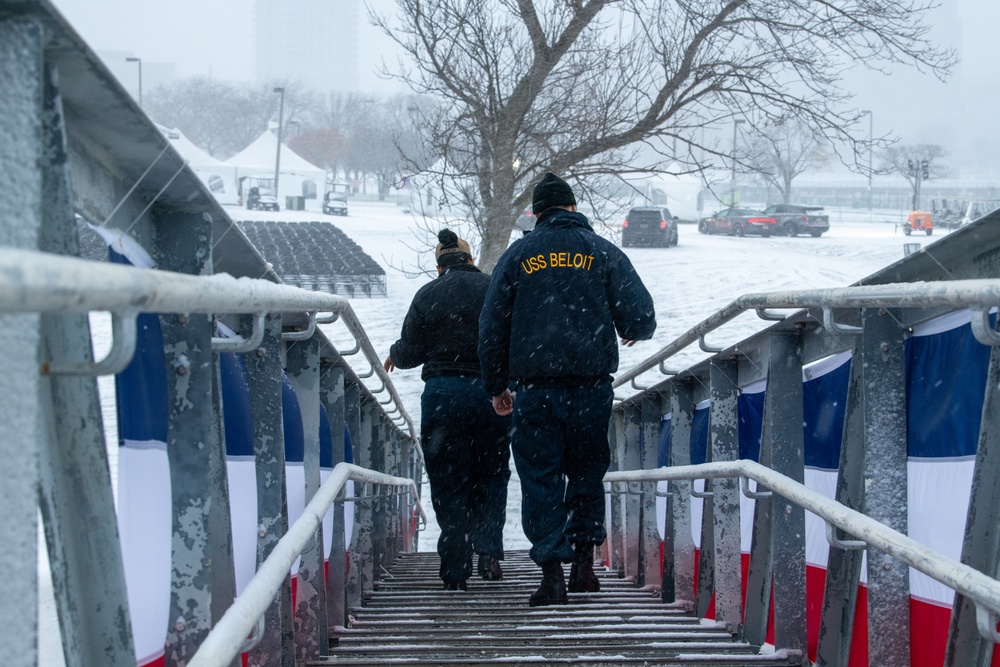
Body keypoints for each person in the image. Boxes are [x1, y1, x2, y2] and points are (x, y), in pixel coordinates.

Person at [478, 173, 656, 606]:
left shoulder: (518, 255)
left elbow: (491, 328)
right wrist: (626, 327)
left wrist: (496, 386)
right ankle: (583, 565)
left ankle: (551, 575)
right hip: (590, 390)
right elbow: (641, 318)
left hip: (536, 391)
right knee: (586, 473)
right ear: (573, 209)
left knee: (540, 478)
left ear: (536, 214)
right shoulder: (603, 252)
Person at [384, 229, 512, 590]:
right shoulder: (493, 288)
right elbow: (510, 339)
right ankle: (488, 552)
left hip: (443, 395)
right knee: (492, 472)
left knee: (447, 478)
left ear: (439, 266)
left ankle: (455, 562)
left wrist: (396, 351)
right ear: (471, 261)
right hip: (492, 394)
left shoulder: (428, 293)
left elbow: (410, 351)